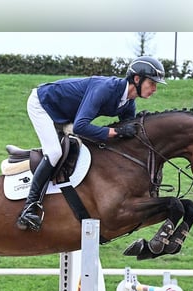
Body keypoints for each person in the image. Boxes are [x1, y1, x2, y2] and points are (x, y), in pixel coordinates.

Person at [15, 56, 167, 231]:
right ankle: (29, 206)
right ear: (137, 79)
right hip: (43, 105)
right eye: (152, 83)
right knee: (55, 152)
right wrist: (116, 132)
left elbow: (129, 137)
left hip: (66, 115)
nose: (155, 89)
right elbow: (80, 127)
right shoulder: (105, 88)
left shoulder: (128, 103)